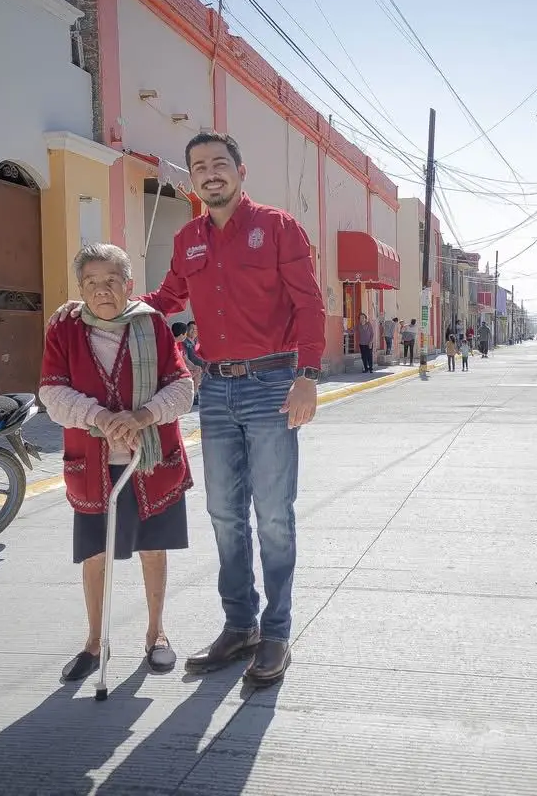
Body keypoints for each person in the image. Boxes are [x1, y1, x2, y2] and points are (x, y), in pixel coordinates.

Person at [50, 132, 324, 687]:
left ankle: (275, 633)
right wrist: (100, 303)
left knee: (273, 517)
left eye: (220, 163)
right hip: (217, 393)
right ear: (192, 180)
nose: (210, 173)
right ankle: (240, 625)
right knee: (225, 516)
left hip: (272, 384)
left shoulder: (276, 228)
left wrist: (308, 376)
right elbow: (165, 298)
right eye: (199, 167)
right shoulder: (188, 238)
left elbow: (309, 302)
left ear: (240, 171)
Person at [40, 243, 194, 683]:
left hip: (151, 463)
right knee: (95, 555)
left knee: (153, 550)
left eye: (111, 281)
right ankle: (94, 642)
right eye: (91, 283)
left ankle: (156, 634)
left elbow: (181, 388)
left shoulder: (153, 326)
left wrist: (142, 416)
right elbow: (53, 394)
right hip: (92, 465)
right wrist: (103, 419)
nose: (102, 291)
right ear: (80, 289)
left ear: (128, 285)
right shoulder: (64, 330)